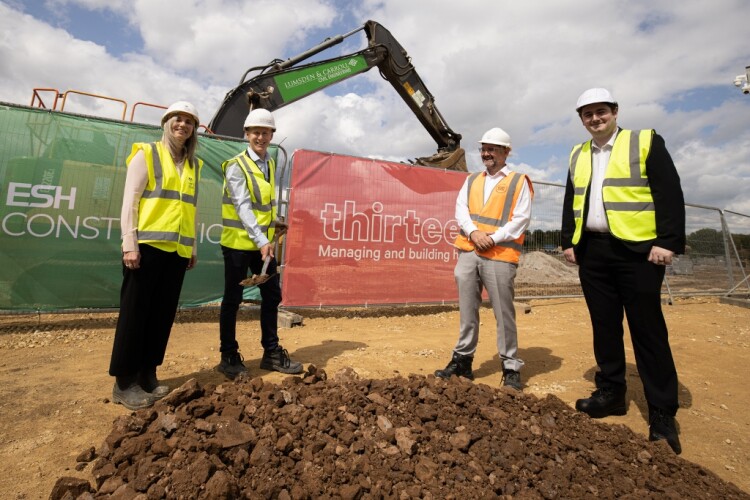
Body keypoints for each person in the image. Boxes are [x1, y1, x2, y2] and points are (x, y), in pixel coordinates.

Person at [561, 88, 685, 454]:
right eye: (588, 114)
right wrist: (570, 240)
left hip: (639, 251)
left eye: (601, 111)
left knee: (647, 330)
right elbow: (573, 199)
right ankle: (612, 392)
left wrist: (668, 241)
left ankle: (662, 413)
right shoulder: (578, 153)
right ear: (581, 118)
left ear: (615, 111)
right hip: (594, 251)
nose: (595, 119)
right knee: (604, 325)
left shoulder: (643, 142)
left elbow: (668, 192)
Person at [109, 101, 203, 410]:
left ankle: (148, 374)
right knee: (135, 314)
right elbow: (130, 202)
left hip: (176, 251)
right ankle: (124, 382)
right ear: (166, 122)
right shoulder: (146, 153)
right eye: (178, 119)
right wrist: (129, 243)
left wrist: (191, 246)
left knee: (161, 315)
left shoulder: (193, 164)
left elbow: (191, 207)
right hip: (146, 247)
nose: (183, 125)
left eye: (189, 122)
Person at [435, 127, 534, 390]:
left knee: (504, 313)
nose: (486, 153)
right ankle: (462, 361)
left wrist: (492, 237)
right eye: (484, 149)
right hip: (469, 250)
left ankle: (510, 366)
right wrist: (474, 232)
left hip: (500, 254)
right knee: (468, 310)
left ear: (505, 152)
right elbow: (461, 211)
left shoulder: (518, 181)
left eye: (492, 149)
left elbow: (521, 219)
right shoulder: (472, 180)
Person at [216, 108, 303, 379]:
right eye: (256, 132)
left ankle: (271, 353)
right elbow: (242, 207)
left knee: (271, 295)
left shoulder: (270, 164)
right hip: (238, 245)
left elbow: (261, 204)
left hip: (262, 245)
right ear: (247, 134)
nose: (261, 137)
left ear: (271, 135)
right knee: (232, 299)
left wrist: (274, 223)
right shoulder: (236, 165)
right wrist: (262, 239)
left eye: (266, 132)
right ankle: (228, 355)